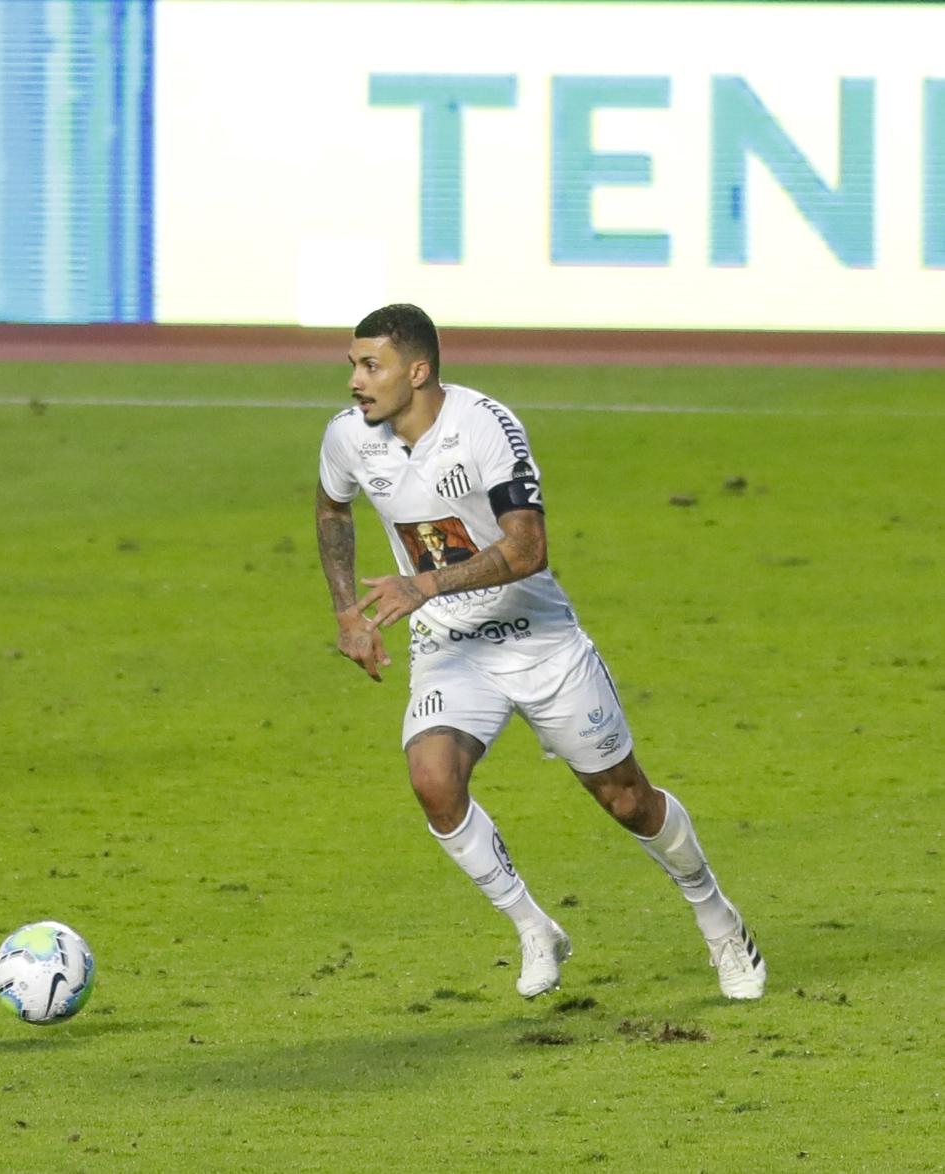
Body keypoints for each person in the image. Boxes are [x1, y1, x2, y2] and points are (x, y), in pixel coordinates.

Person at [313, 303, 765, 1000]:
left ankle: (719, 921)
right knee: (434, 780)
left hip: (539, 639)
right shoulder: (349, 438)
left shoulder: (487, 427)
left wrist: (421, 582)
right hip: (451, 642)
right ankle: (533, 927)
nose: (355, 380)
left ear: (420, 370)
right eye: (353, 364)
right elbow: (331, 508)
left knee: (626, 800)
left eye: (371, 365)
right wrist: (349, 611)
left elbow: (528, 549)